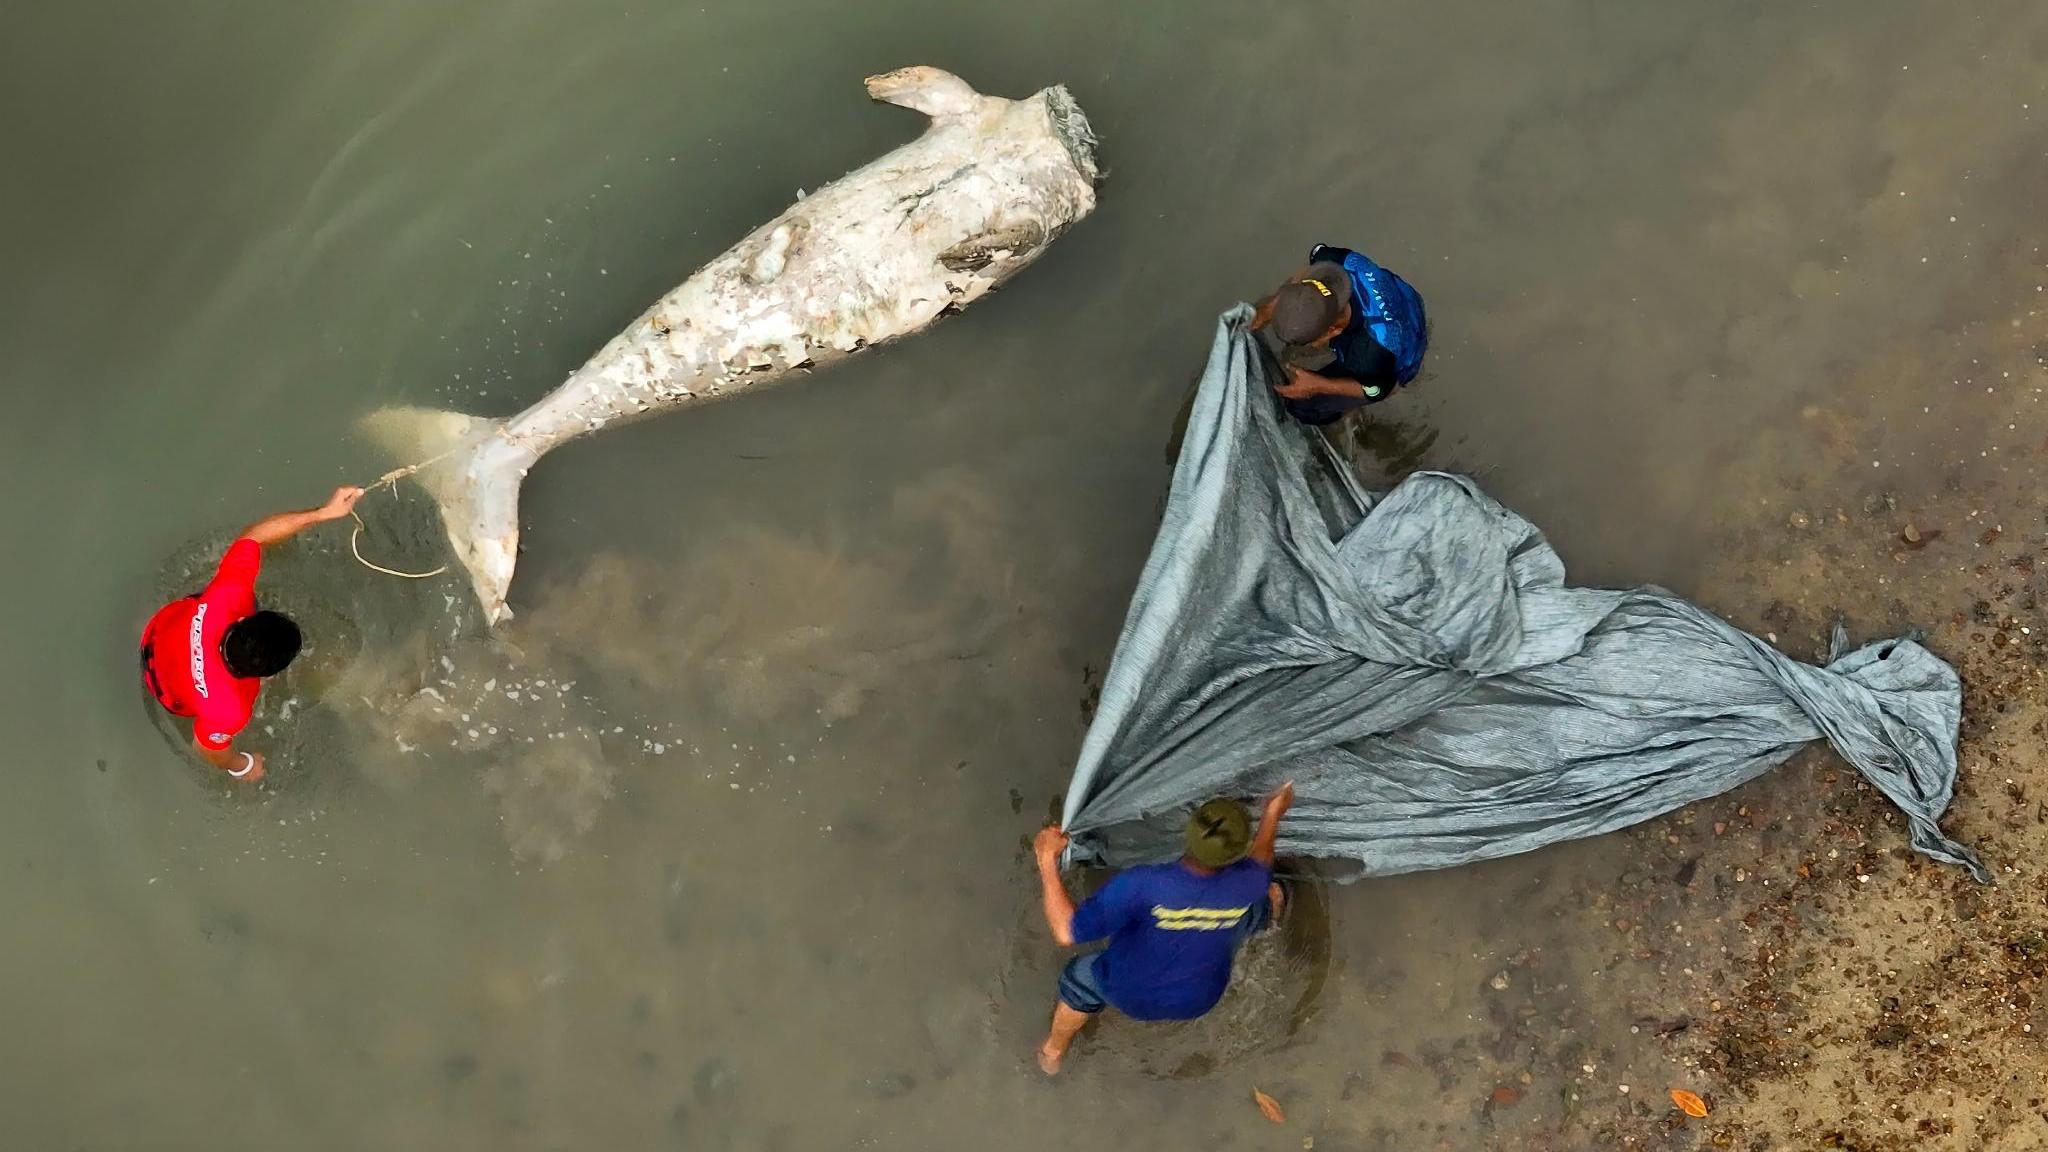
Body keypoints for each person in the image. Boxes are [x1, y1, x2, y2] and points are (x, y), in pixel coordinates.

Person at [1031, 781, 1295, 1075]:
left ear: (1188, 834)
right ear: (1237, 853)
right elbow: (1262, 858)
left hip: (1127, 993)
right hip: (1199, 999)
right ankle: (1271, 919)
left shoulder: (1143, 884)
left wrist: (1046, 859)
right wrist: (1272, 814)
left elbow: (1066, 932)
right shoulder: (1250, 881)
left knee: (1080, 980)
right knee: (1264, 900)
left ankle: (1053, 1051)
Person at [139, 486, 365, 783]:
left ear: (244, 620)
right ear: (267, 676)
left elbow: (253, 536)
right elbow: (206, 748)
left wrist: (324, 512)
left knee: (225, 581)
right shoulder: (230, 709)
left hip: (157, 631)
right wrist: (243, 766)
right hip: (166, 693)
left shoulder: (228, 597)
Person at [1252, 243, 1429, 425]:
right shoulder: (1334, 262)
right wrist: (1270, 308)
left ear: (1333, 330)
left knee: (1302, 407)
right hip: (1402, 293)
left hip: (1407, 343)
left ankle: (1345, 414)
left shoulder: (1370, 353)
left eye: (1308, 342)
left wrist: (1319, 385)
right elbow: (1307, 272)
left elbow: (1380, 390)